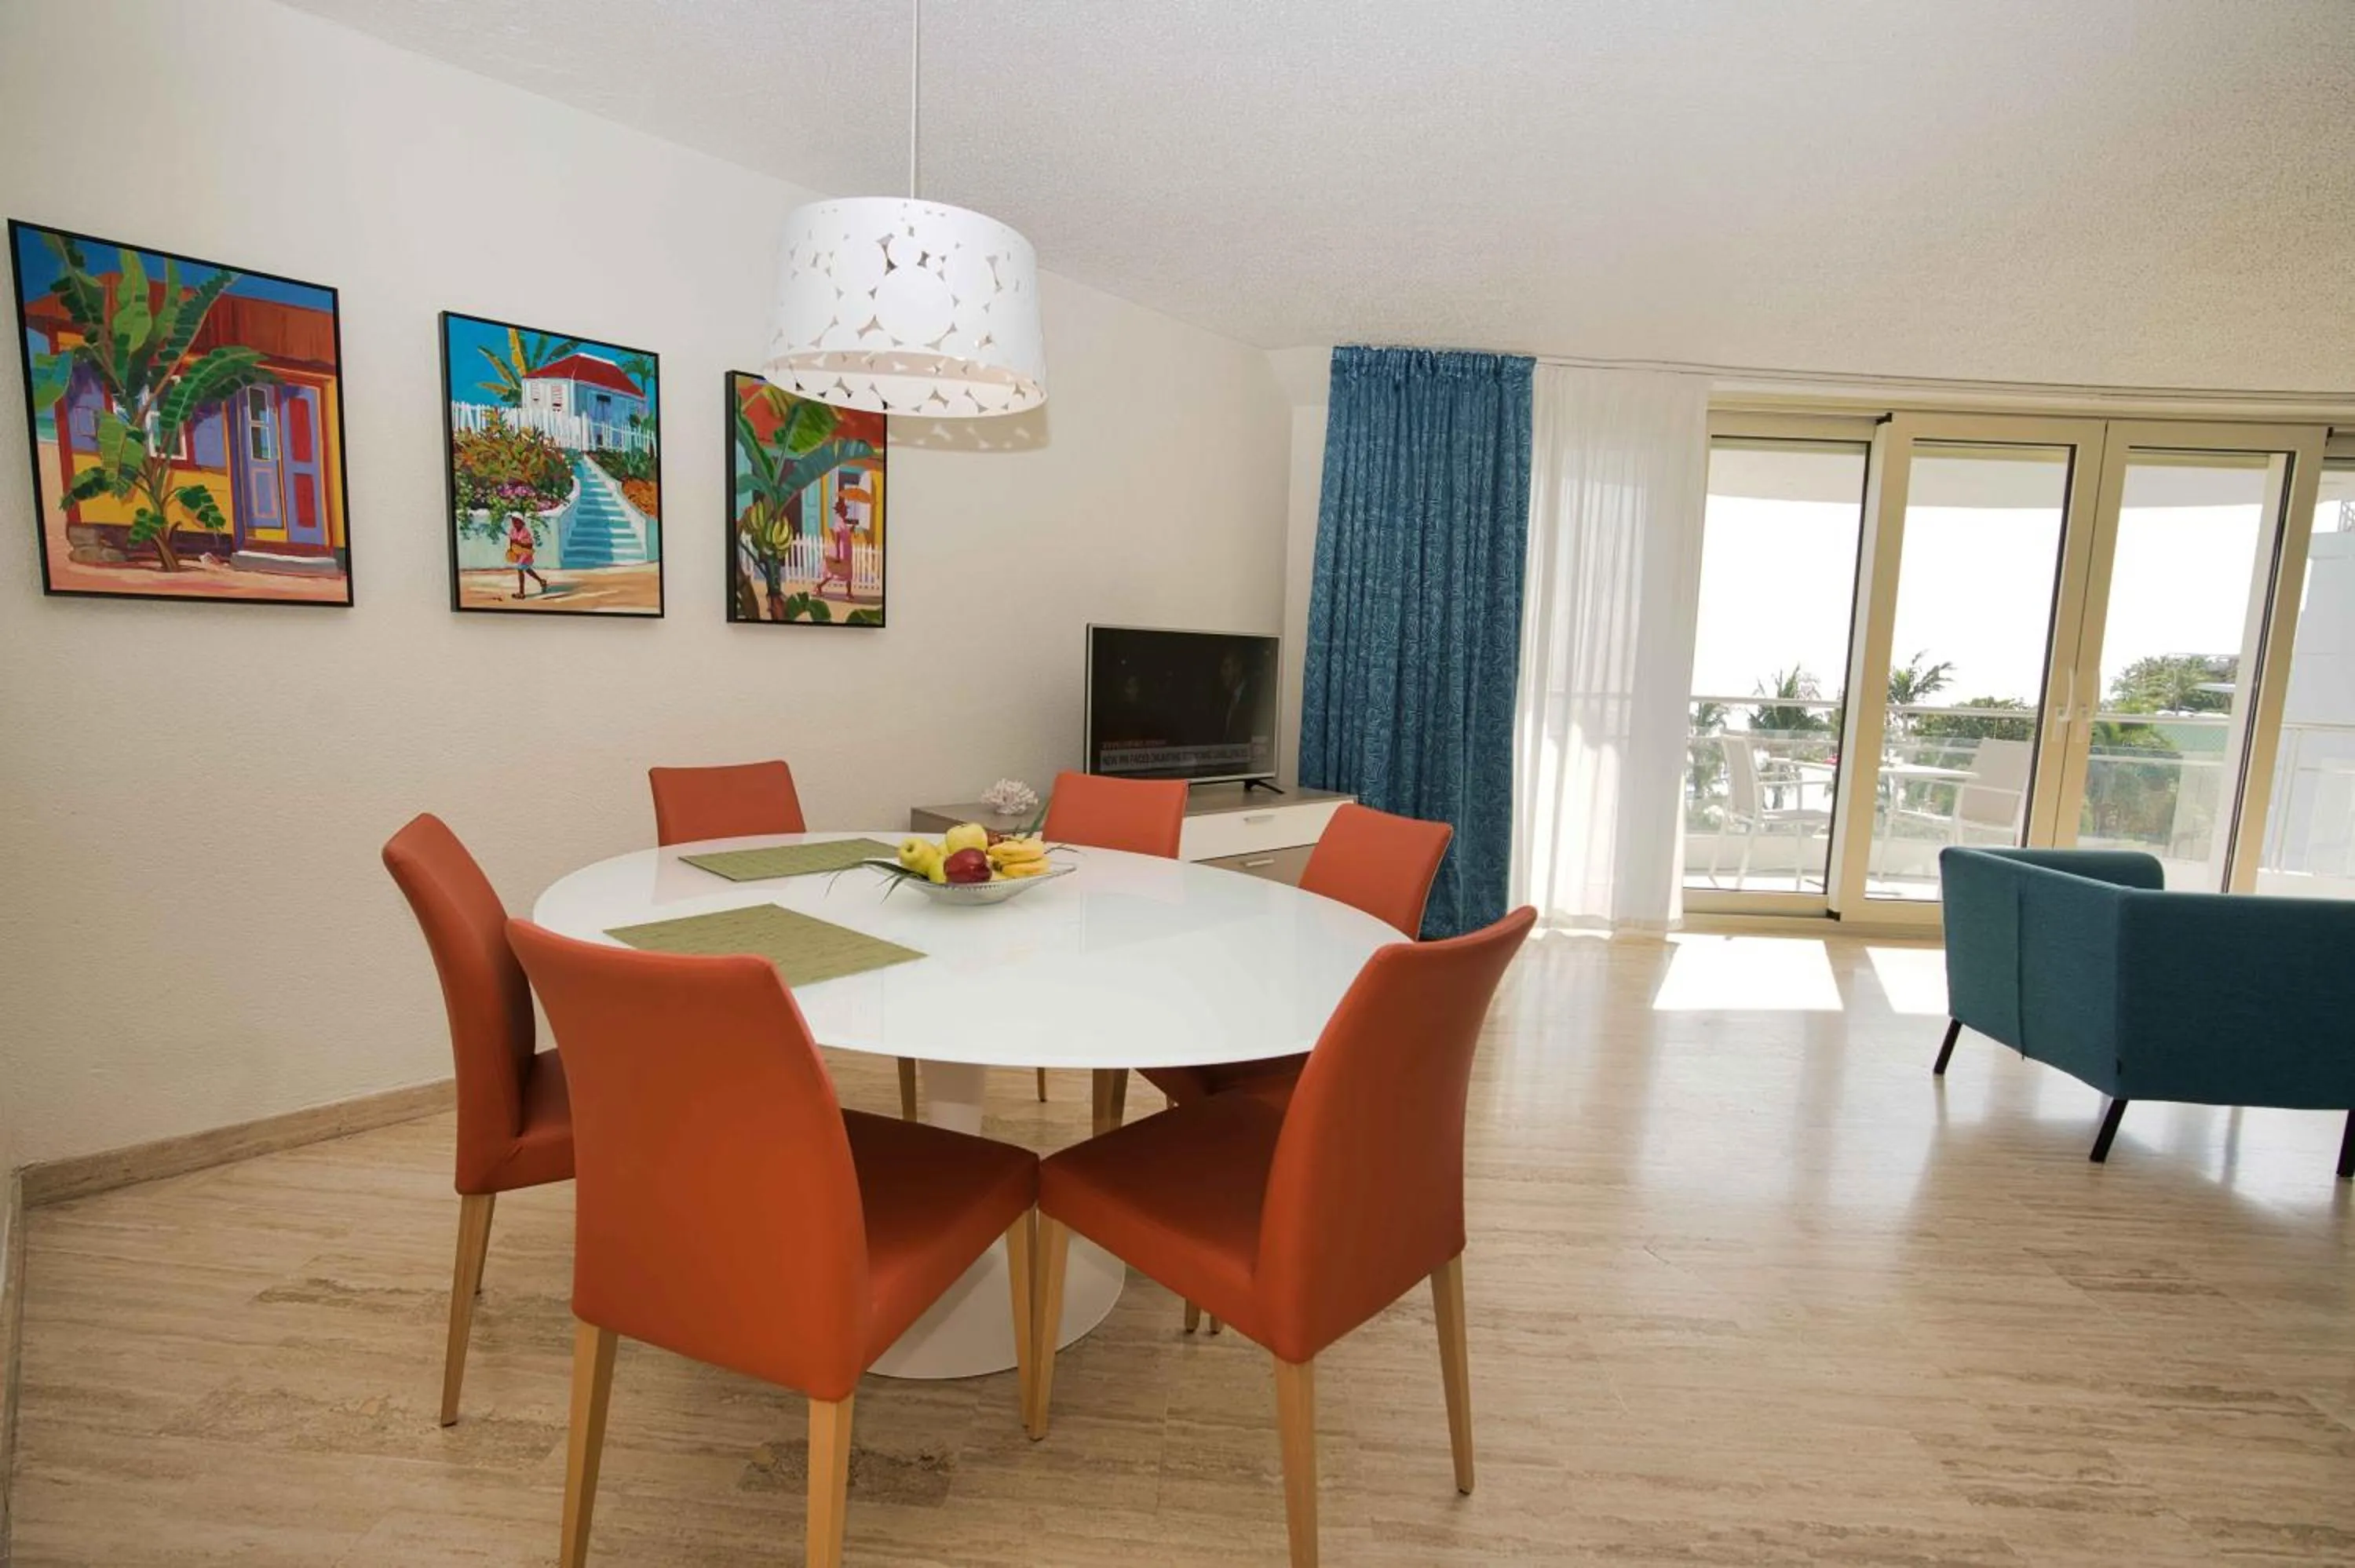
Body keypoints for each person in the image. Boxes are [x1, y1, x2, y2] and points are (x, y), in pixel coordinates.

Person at [506, 512, 549, 600]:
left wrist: (520, 544)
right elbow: (511, 540)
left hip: (526, 554)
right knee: (527, 569)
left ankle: (522, 593)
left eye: (516, 521)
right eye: (513, 521)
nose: (514, 523)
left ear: (521, 522)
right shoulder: (513, 530)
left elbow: (529, 545)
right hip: (519, 553)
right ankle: (541, 581)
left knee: (520, 569)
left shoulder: (525, 532)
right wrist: (512, 550)